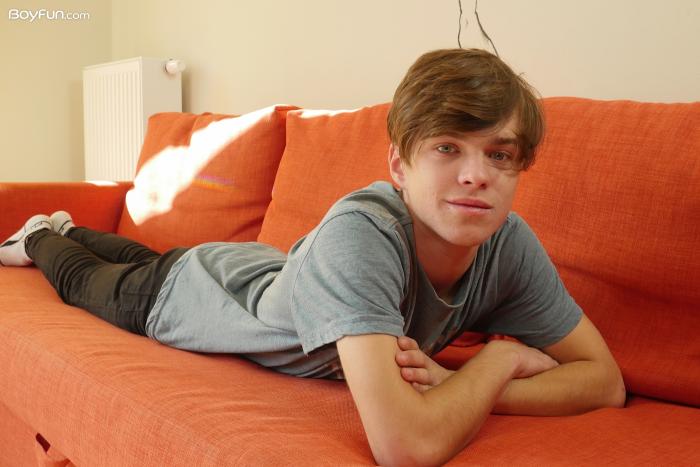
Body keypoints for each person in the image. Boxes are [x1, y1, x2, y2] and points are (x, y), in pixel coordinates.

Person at [0, 48, 625, 466]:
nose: (476, 175)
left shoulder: (508, 243)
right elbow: (406, 446)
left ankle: (68, 226)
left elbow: (605, 382)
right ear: (399, 165)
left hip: (249, 267)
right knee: (86, 279)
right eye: (447, 148)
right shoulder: (365, 233)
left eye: (500, 155)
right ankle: (39, 237)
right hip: (185, 297)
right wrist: (496, 361)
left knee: (135, 256)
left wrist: (462, 387)